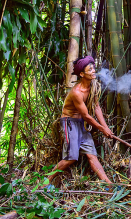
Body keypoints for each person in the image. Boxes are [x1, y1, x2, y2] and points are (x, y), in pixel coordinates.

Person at [45, 56, 113, 187]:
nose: (94, 70)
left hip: (81, 123)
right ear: (81, 74)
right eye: (90, 69)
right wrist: (102, 129)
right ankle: (45, 181)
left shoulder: (93, 85)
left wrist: (106, 127)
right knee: (71, 157)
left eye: (93, 68)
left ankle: (109, 184)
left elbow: (96, 106)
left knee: (92, 155)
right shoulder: (77, 92)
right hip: (70, 123)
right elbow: (87, 116)